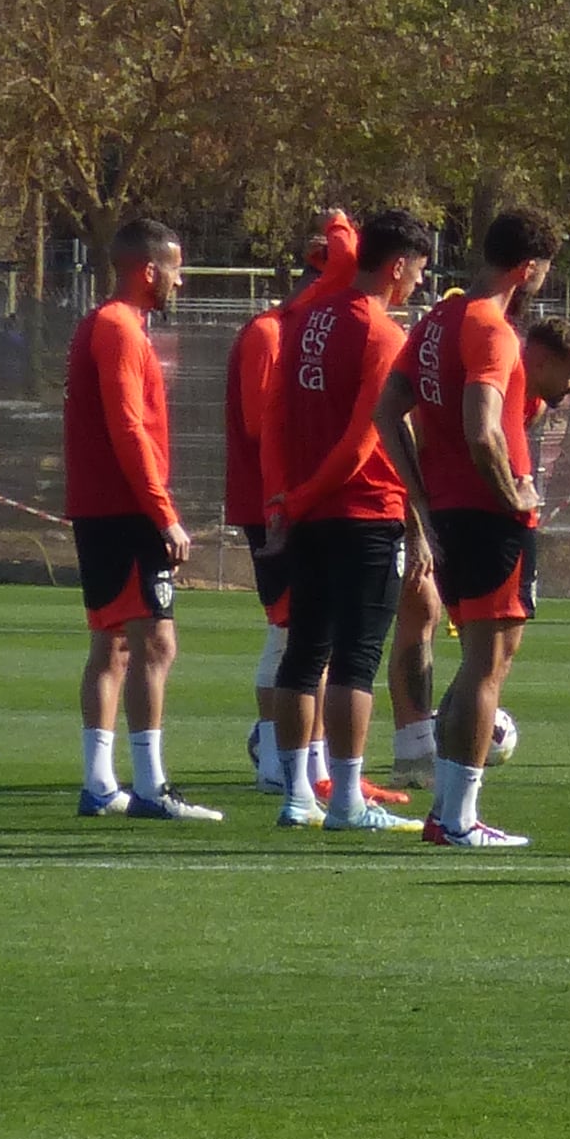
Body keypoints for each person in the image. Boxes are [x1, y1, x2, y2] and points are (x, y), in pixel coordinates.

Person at [384, 207, 570, 850]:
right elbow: (483, 429)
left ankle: (446, 810)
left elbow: (388, 412)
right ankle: (457, 819)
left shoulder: (438, 319)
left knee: (475, 660)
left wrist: (421, 497)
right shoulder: (492, 330)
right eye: (543, 273)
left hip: (449, 511)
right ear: (528, 268)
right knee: (487, 664)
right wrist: (513, 494)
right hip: (491, 518)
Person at [266, 210, 437, 833]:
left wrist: (285, 496)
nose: (419, 282)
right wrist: (308, 492)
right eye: (418, 270)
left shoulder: (309, 320)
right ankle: (344, 802)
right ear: (397, 265)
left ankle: (295, 796)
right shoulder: (383, 333)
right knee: (356, 660)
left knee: (303, 653)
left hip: (307, 512)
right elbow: (367, 442)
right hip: (363, 511)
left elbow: (279, 411)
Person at [63, 215, 221, 822]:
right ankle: (152, 787)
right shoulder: (120, 329)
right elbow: (129, 427)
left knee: (112, 646)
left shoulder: (108, 325)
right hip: (125, 509)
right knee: (155, 641)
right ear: (149, 270)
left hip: (101, 506)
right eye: (176, 269)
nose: (180, 282)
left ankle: (100, 784)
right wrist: (164, 514)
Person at [228, 210, 362, 797]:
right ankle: (279, 762)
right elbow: (263, 426)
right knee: (290, 631)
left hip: (300, 501)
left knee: (309, 633)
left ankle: (307, 767)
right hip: (275, 504)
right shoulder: (271, 332)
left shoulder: (298, 330)